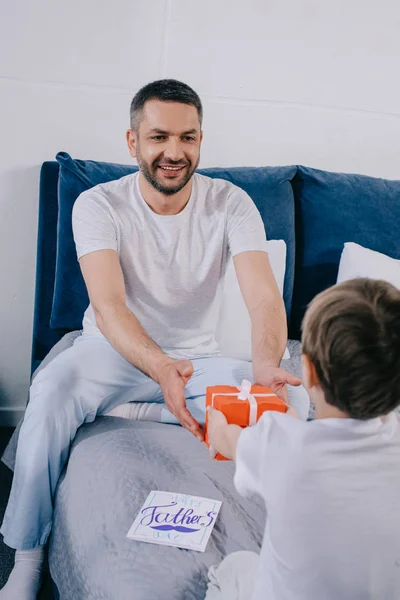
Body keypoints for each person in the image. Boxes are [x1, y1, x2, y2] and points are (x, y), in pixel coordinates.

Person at [0, 79, 309, 599]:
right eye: (159, 136)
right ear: (132, 142)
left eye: (188, 138)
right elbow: (110, 306)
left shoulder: (232, 204)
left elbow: (262, 298)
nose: (174, 152)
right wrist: (160, 367)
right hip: (113, 354)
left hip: (201, 362)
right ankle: (26, 558)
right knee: (52, 391)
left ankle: (140, 410)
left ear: (200, 141)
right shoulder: (98, 204)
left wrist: (263, 366)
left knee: (293, 398)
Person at [206, 277, 400, 600]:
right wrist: (292, 424)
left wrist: (217, 426)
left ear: (307, 371)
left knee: (236, 567)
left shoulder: (277, 445)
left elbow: (228, 439)